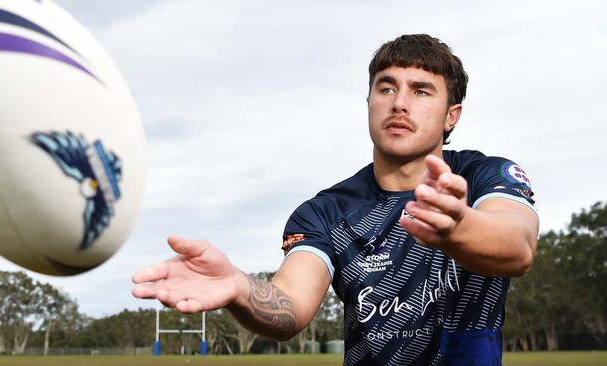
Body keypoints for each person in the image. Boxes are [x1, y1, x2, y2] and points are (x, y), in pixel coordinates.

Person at [132, 34, 539, 365]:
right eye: (386, 87)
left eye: (421, 91)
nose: (399, 102)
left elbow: (517, 245)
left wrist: (457, 228)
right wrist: (239, 288)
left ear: (452, 115)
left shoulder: (482, 176)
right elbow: (290, 307)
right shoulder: (326, 211)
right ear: (369, 103)